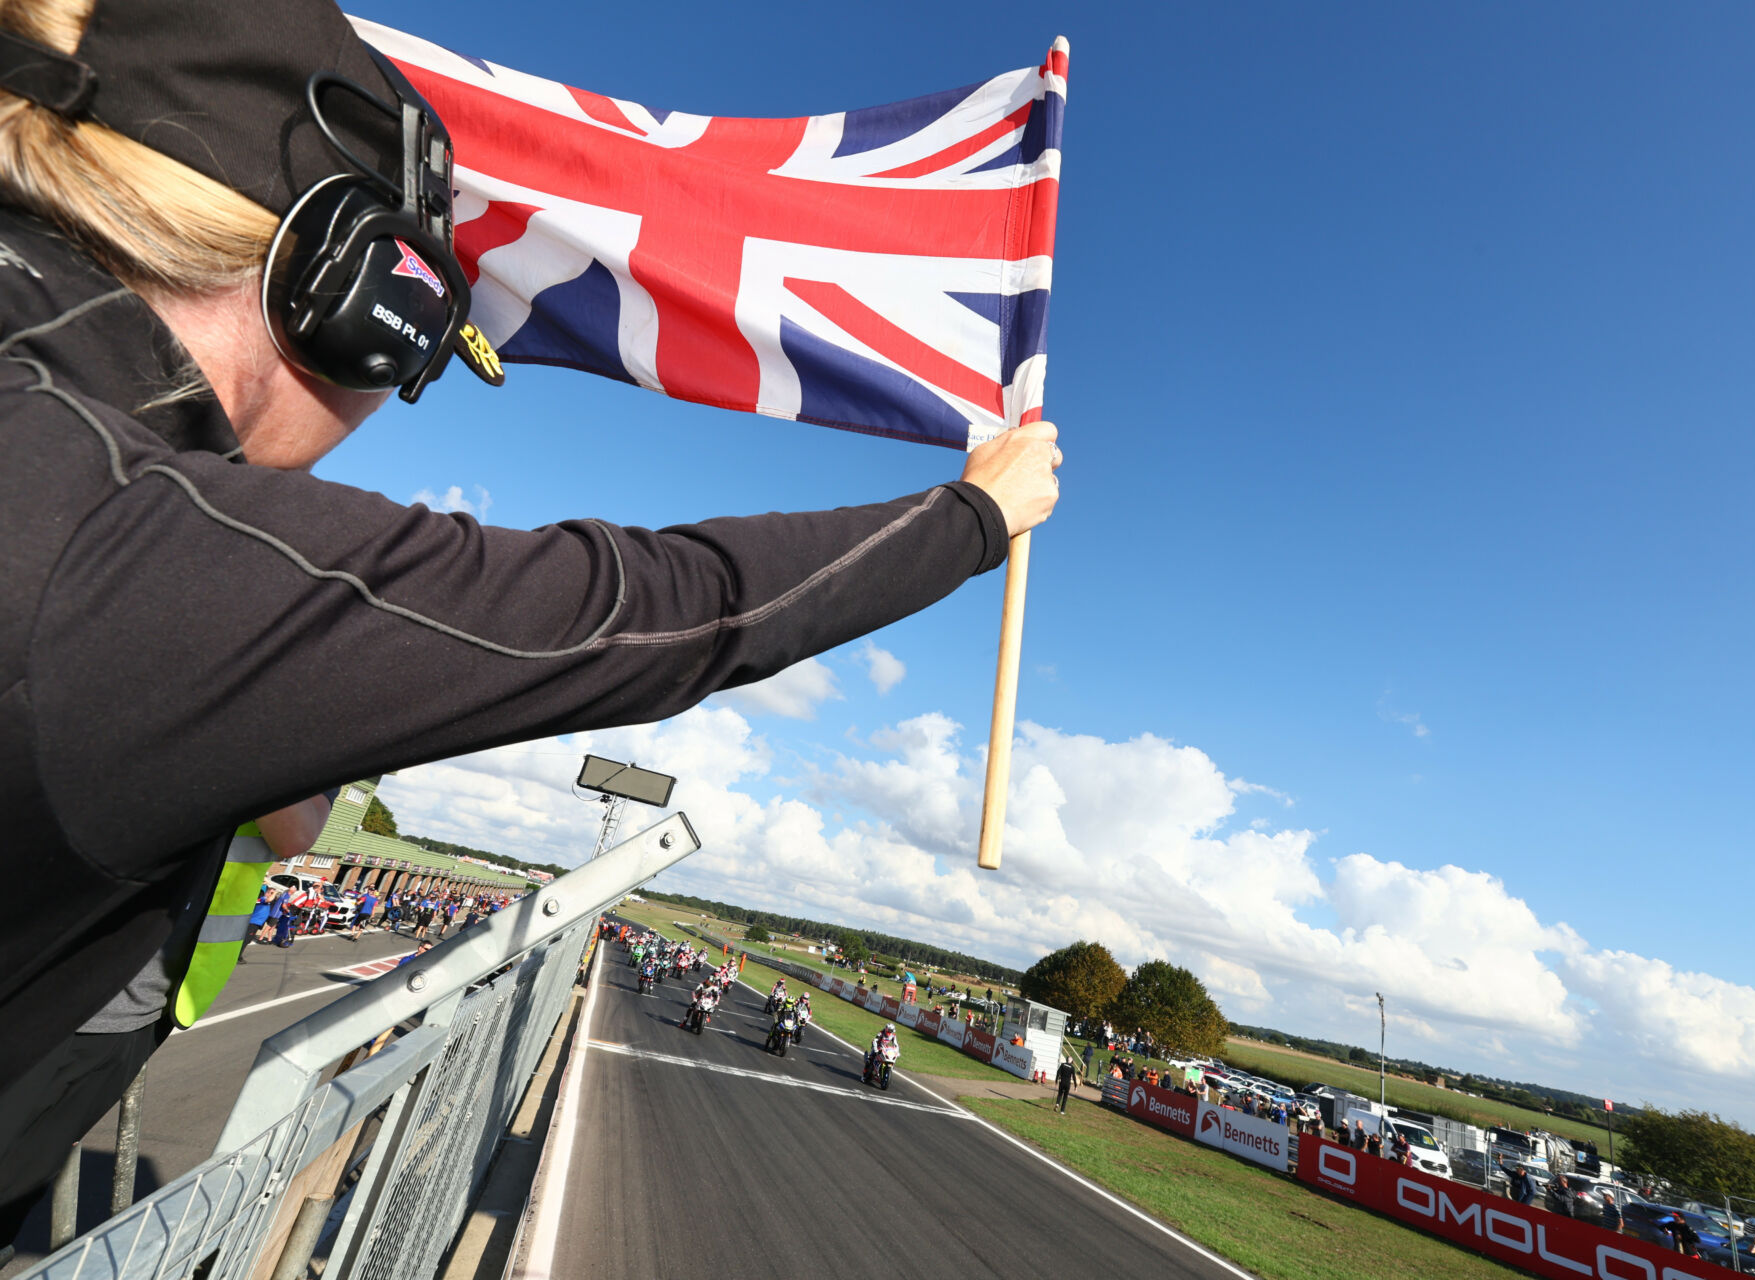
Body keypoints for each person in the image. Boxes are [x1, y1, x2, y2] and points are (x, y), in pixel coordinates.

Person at [0, 0, 1063, 1239]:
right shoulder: (131, 548)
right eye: (412, 351)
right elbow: (661, 610)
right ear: (345, 288)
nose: (396, 395)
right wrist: (974, 515)